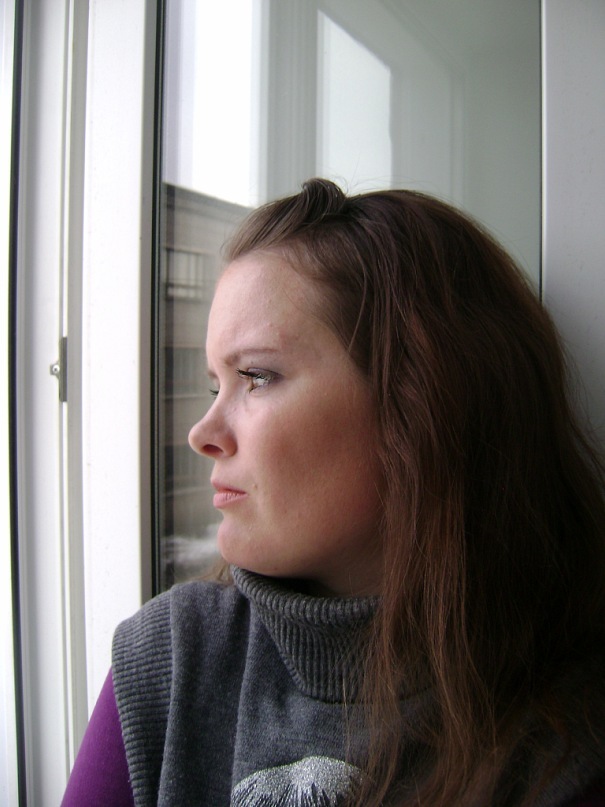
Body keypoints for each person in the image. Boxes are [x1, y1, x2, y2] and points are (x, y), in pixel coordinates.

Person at [62, 179, 605, 806]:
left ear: (423, 404)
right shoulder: (172, 660)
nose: (202, 433)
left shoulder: (565, 736)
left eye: (256, 377)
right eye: (216, 385)